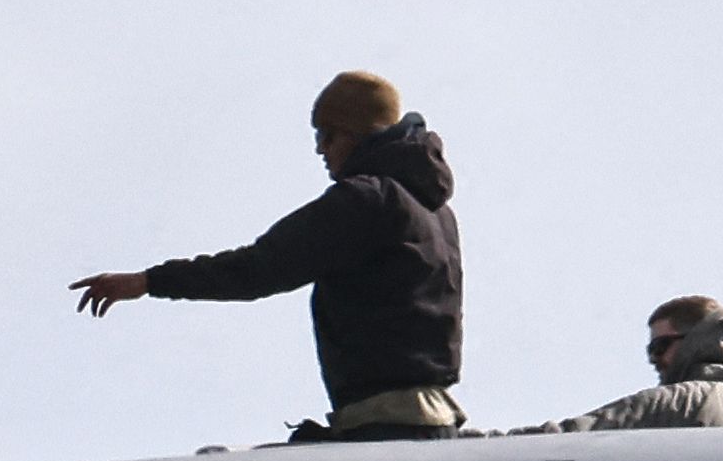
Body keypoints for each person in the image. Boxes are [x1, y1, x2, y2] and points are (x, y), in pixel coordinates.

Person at [71, 71, 464, 439]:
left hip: (384, 423)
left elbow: (259, 268)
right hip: (436, 419)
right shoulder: (436, 213)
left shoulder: (366, 201)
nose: (320, 150)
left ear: (359, 135)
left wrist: (149, 282)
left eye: (327, 136)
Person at [516, 296, 723, 434]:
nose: (654, 359)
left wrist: (479, 444)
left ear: (698, 341)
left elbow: (565, 439)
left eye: (659, 347)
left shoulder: (673, 402)